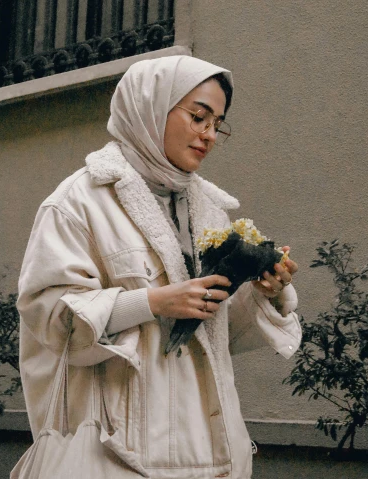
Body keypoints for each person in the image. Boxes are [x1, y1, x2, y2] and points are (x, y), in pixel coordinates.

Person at [16, 55, 301, 479]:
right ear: (149, 107)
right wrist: (152, 302)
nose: (208, 135)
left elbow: (213, 336)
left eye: (217, 124)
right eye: (198, 116)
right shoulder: (79, 201)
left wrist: (266, 291)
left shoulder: (209, 209)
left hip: (206, 450)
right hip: (115, 451)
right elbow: (52, 319)